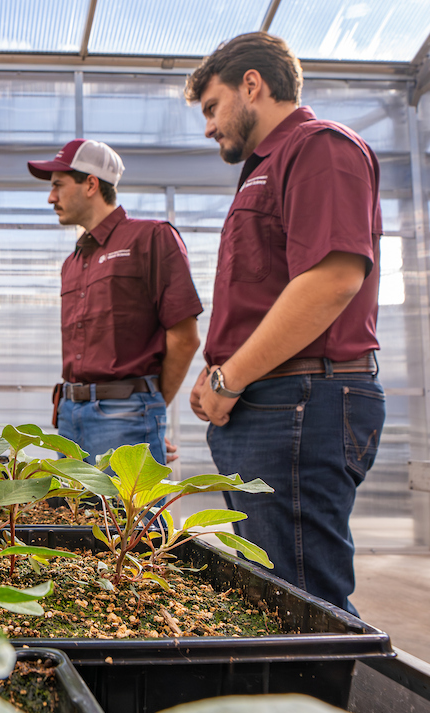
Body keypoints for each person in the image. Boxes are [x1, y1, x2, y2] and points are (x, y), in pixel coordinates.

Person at [186, 32, 384, 613]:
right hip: (276, 400)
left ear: (253, 84)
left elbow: (331, 279)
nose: (208, 127)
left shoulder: (318, 147)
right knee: (274, 592)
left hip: (300, 401)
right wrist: (220, 374)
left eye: (212, 108)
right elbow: (265, 294)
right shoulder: (264, 169)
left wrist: (229, 378)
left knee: (300, 603)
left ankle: (315, 702)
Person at [27, 139, 202, 466]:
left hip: (124, 411)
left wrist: (146, 410)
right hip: (68, 416)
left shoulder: (151, 238)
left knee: (130, 516)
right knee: (75, 515)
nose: (51, 197)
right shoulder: (73, 261)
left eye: (58, 186)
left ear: (91, 184)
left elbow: (184, 336)